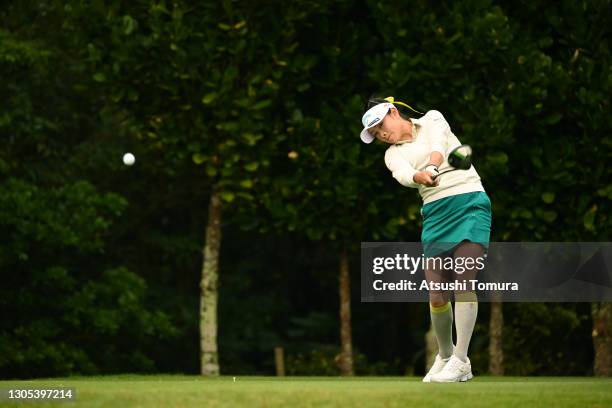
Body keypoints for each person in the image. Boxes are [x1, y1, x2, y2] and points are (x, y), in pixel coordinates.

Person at [360, 97, 492, 383]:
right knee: (436, 293)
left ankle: (461, 360)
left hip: (469, 200)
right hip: (435, 212)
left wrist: (432, 166)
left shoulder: (432, 117)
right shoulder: (391, 154)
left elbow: (439, 146)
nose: (381, 134)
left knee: (464, 280)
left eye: (381, 125)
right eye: (375, 133)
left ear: (393, 113)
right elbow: (404, 174)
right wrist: (421, 176)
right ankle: (445, 356)